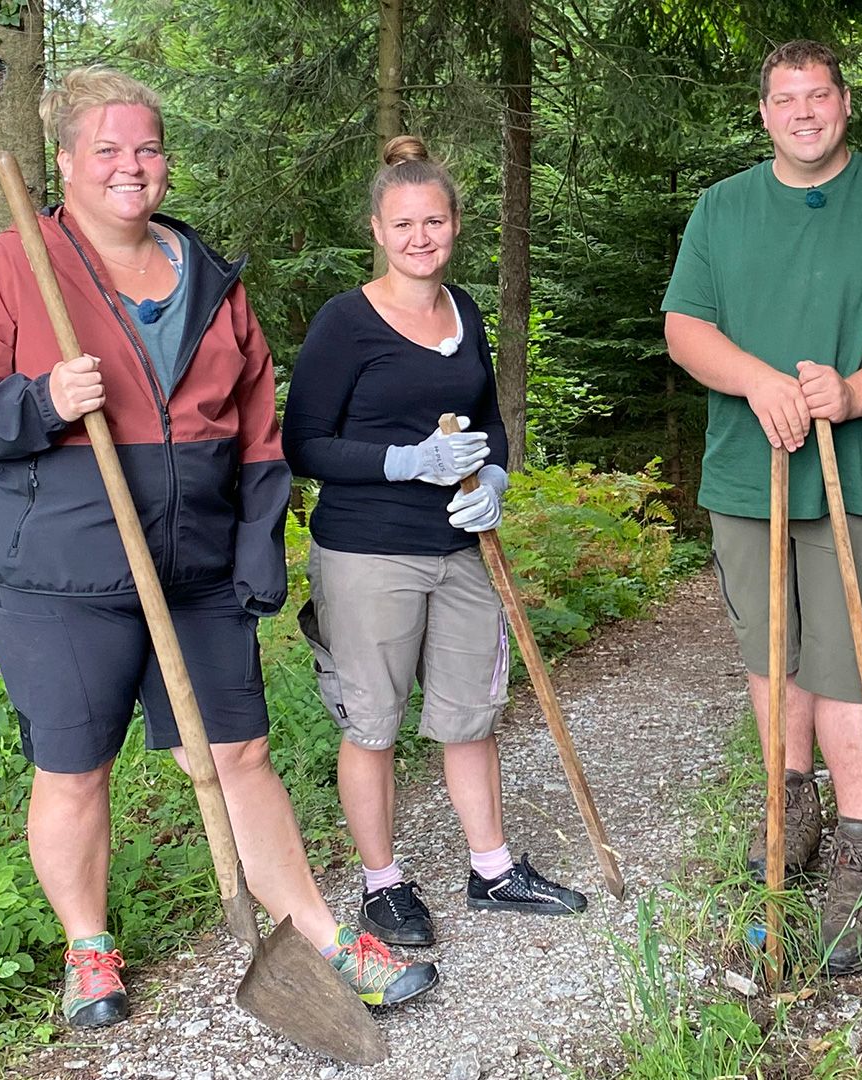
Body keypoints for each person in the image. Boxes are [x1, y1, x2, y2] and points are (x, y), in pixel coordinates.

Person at [0, 67, 437, 1029]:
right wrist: (39, 403)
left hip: (196, 566)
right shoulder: (6, 266)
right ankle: (89, 948)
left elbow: (257, 432)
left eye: (145, 148)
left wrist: (256, 551)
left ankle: (317, 930)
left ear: (165, 162)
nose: (129, 166)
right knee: (74, 767)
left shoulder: (210, 279)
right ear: (65, 160)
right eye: (105, 149)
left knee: (242, 754)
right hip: (55, 571)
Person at [663, 40, 862, 975]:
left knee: (850, 664)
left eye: (818, 96)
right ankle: (789, 812)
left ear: (844, 104)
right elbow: (685, 328)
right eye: (785, 99)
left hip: (854, 472)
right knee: (771, 656)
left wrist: (853, 394)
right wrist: (760, 384)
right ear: (765, 114)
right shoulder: (723, 207)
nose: (803, 112)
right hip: (749, 475)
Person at [284, 135, 587, 953]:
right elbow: (303, 443)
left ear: (455, 224)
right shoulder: (345, 323)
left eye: (436, 221)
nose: (422, 237)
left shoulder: (467, 312)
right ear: (377, 230)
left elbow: (490, 422)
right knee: (372, 723)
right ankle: (383, 887)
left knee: (469, 715)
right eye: (404, 223)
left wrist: (493, 482)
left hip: (461, 548)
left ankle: (491, 871)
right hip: (367, 552)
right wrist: (403, 461)